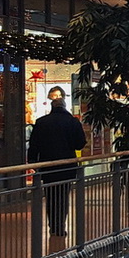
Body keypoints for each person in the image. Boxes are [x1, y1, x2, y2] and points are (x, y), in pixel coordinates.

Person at [26, 94, 88, 237]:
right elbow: (80, 143)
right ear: (65, 107)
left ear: (52, 107)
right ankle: (60, 225)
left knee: (50, 197)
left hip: (48, 166)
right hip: (67, 166)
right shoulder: (73, 122)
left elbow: (34, 145)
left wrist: (33, 162)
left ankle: (52, 225)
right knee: (63, 196)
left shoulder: (41, 122)